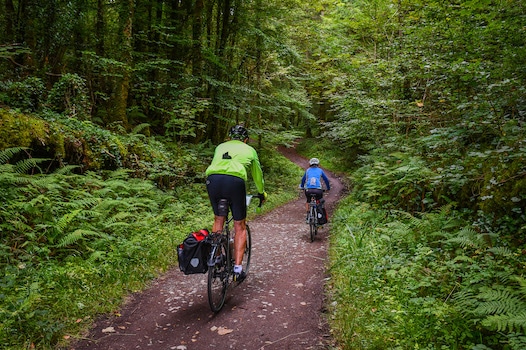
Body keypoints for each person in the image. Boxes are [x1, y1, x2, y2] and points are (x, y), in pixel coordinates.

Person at [205, 124, 267, 282]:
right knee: (239, 225)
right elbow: (257, 175)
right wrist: (261, 192)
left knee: (219, 219)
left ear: (229, 137)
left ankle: (217, 256)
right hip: (235, 181)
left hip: (213, 179)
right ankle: (238, 269)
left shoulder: (220, 147)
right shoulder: (249, 150)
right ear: (245, 140)